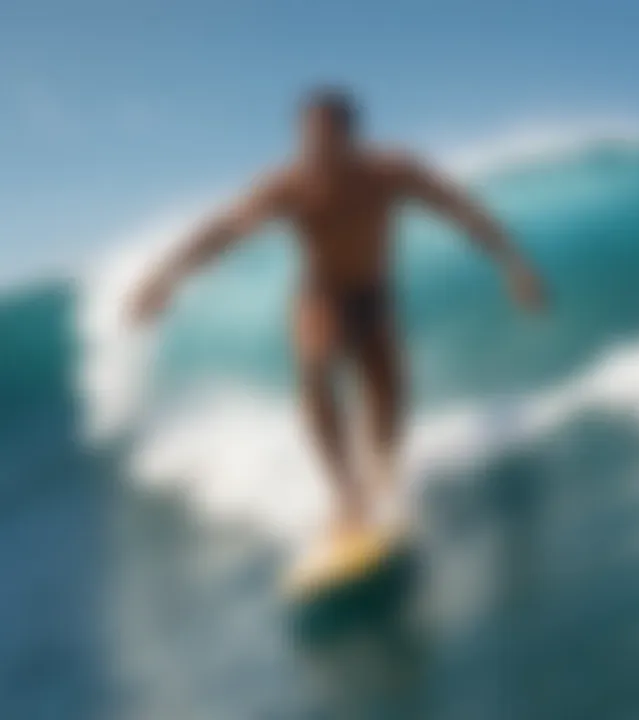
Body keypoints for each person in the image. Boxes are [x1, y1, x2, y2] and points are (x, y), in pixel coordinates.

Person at [129, 87, 547, 535]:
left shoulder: (389, 173)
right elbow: (224, 230)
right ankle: (346, 495)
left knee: (389, 396)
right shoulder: (290, 185)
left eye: (325, 138)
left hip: (374, 294)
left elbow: (458, 208)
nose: (314, 149)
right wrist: (165, 277)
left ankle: (382, 479)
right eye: (307, 138)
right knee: (315, 367)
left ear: (350, 137)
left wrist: (514, 266)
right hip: (321, 295)